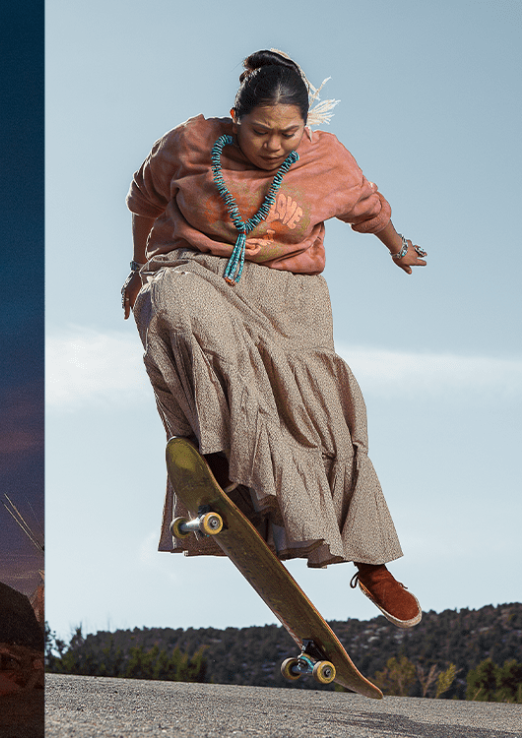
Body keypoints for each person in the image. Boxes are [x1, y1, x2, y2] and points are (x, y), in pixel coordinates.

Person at [121, 49, 426, 628]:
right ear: (235, 116)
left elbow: (367, 205)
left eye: (288, 134)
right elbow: (143, 200)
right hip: (197, 267)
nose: (273, 145)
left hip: (292, 293)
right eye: (260, 131)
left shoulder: (326, 158)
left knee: (319, 416)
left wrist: (398, 245)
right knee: (176, 307)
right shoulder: (188, 143)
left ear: (305, 127)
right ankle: (221, 465)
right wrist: (138, 269)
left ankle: (371, 562)